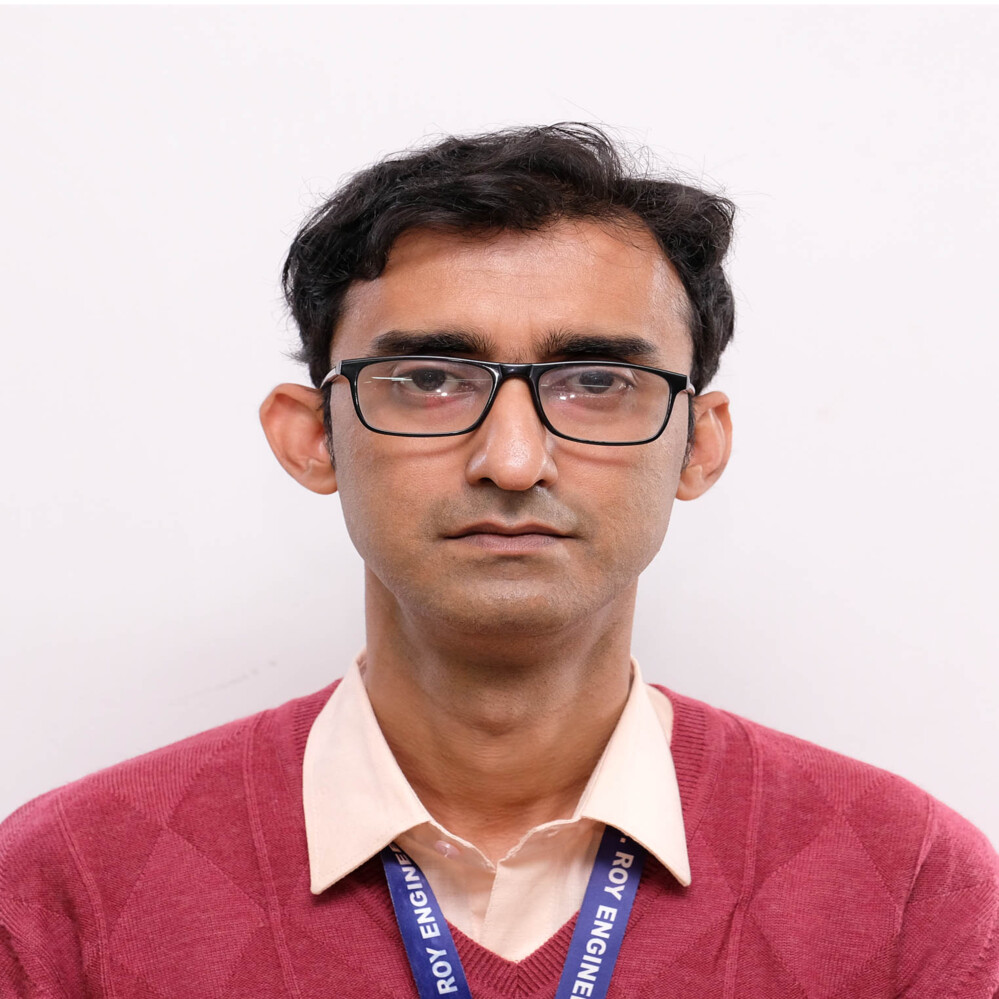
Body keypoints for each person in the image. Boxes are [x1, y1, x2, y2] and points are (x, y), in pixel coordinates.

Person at [1, 124, 996, 999]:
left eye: (596, 381)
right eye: (429, 378)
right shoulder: (70, 881)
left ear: (698, 444)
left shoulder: (909, 884)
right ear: (312, 437)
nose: (512, 461)